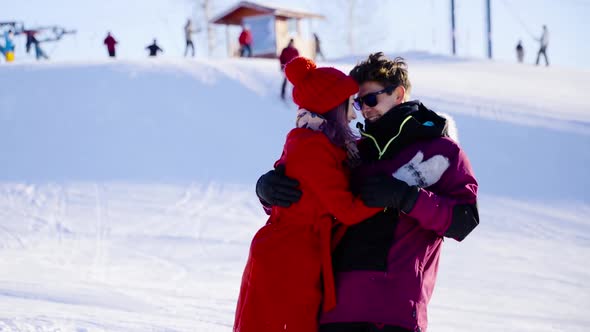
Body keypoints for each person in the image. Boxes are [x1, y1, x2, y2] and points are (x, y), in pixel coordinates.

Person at [255, 52, 479, 332]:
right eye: (358, 102)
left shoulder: (441, 151)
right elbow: (313, 199)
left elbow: (464, 219)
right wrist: (268, 191)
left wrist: (408, 198)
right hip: (335, 309)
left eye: (371, 98)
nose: (364, 109)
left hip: (394, 308)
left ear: (399, 94)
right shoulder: (352, 150)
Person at [234, 57, 383, 332]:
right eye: (350, 104)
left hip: (297, 254)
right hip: (288, 258)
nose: (354, 115)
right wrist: (391, 197)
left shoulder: (323, 142)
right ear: (333, 106)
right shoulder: (311, 147)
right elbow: (347, 209)